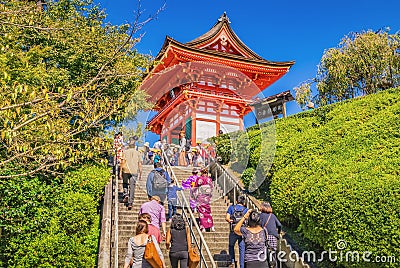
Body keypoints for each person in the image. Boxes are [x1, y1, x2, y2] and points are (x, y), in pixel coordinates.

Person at [119, 137, 142, 210]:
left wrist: (120, 172)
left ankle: (125, 194)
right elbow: (140, 164)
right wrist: (140, 172)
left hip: (126, 170)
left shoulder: (124, 152)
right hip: (134, 171)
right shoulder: (138, 153)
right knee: (132, 187)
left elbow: (122, 162)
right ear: (135, 146)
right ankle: (130, 203)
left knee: (125, 183)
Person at [226, 195, 248, 268]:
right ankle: (242, 266)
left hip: (233, 230)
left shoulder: (231, 207)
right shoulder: (246, 210)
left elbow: (227, 218)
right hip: (242, 231)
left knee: (231, 245)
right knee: (242, 248)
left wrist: (231, 221)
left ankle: (232, 262)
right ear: (244, 202)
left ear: (236, 201)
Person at [260, 202, 282, 268]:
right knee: (273, 254)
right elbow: (279, 225)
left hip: (264, 237)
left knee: (264, 254)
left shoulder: (260, 215)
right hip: (273, 237)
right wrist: (278, 232)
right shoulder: (272, 215)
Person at [194, 167, 215, 232]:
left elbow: (195, 187)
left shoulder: (199, 179)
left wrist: (194, 195)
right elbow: (211, 188)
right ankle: (211, 226)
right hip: (207, 197)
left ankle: (203, 227)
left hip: (201, 196)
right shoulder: (209, 179)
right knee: (208, 211)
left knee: (201, 212)